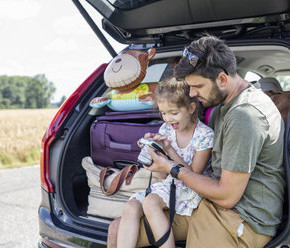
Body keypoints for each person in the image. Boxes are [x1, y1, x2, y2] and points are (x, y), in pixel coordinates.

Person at [107, 35, 285, 248]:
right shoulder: (223, 106)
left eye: (198, 86)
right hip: (208, 202)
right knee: (118, 231)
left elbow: (227, 196)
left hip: (241, 219)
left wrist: (171, 168)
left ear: (222, 79)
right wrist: (167, 149)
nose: (191, 94)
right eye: (189, 86)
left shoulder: (245, 115)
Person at [117, 78, 214, 248]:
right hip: (169, 184)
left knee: (151, 202)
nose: (168, 118)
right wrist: (153, 151)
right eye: (163, 113)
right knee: (130, 207)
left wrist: (169, 150)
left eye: (174, 113)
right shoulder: (166, 129)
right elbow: (162, 175)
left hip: (191, 188)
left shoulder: (205, 135)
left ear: (191, 108)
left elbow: (194, 175)